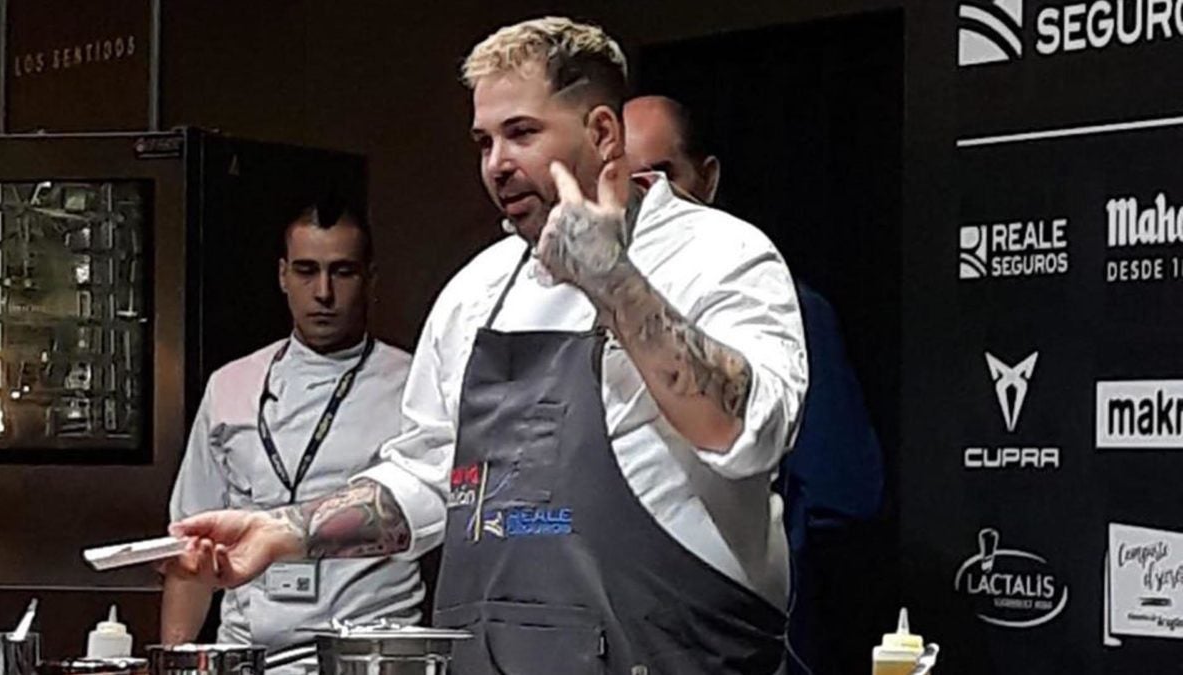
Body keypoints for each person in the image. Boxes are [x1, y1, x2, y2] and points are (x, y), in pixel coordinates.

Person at [168, 17, 808, 674]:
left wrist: (613, 281)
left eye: (522, 133)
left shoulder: (720, 255)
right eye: (484, 141)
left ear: (603, 133)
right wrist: (287, 531)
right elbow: (428, 474)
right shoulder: (477, 289)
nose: (497, 164)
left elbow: (748, 430)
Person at [625, 94, 885, 674]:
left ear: (707, 178)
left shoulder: (782, 304)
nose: (646, 199)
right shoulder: (578, 305)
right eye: (624, 180)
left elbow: (842, 495)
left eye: (661, 176)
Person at [161, 197, 418, 664]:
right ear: (283, 276)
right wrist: (176, 661)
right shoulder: (231, 384)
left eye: (342, 272)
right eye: (306, 270)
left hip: (369, 654)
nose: (323, 292)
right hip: (246, 652)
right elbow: (190, 551)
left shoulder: (414, 384)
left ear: (370, 279)